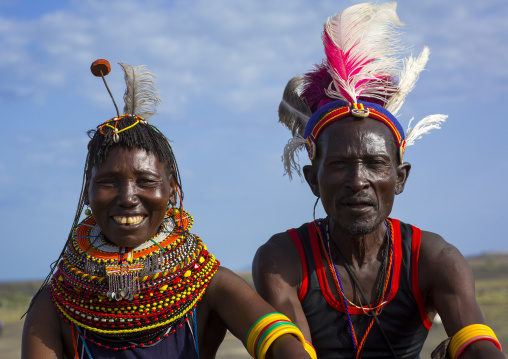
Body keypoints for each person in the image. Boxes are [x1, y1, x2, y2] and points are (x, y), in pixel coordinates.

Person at [252, 3, 504, 359]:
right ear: (312, 179)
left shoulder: (435, 259)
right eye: (339, 164)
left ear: (399, 178)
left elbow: (479, 347)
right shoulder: (283, 261)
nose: (358, 181)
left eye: (375, 163)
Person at [21, 60, 316, 359]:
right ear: (86, 193)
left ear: (173, 190)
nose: (127, 197)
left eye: (146, 181)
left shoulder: (207, 285)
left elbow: (282, 343)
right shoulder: (55, 304)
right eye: (109, 182)